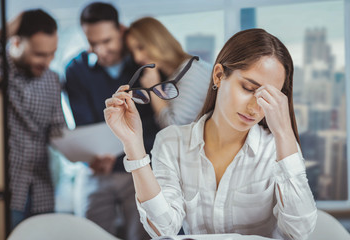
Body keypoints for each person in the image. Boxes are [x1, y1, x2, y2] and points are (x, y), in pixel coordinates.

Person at [104, 28, 318, 239]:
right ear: (218, 75)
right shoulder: (171, 143)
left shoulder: (278, 149)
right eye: (248, 88)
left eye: (268, 97)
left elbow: (298, 232)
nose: (255, 108)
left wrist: (285, 134)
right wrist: (133, 145)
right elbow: (163, 229)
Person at [64, 2, 155, 240]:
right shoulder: (75, 69)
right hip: (97, 169)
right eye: (92, 43)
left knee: (144, 231)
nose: (100, 50)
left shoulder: (143, 63)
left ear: (122, 31)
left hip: (139, 164)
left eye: (106, 41)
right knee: (89, 232)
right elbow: (84, 123)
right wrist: (94, 155)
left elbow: (155, 122)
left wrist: (123, 153)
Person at [0, 10, 65, 230]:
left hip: (42, 189)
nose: (48, 61)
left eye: (52, 54)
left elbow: (58, 129)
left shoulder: (52, 79)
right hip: (7, 189)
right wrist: (11, 25)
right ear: (16, 43)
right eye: (40, 54)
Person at [125, 17, 212, 128]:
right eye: (133, 52)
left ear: (158, 41)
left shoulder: (191, 71)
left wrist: (153, 88)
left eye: (141, 47)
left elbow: (174, 126)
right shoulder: (177, 74)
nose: (137, 58)